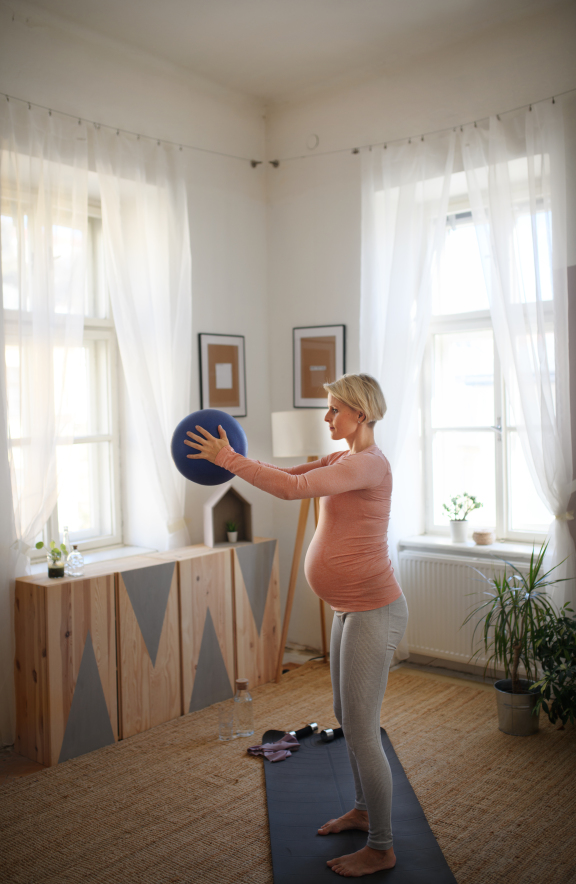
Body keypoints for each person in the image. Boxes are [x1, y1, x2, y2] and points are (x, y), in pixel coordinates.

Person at [184, 373, 408, 878]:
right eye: (327, 409)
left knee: (363, 729)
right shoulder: (341, 460)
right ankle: (364, 810)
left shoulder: (369, 466)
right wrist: (232, 458)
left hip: (375, 610)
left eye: (334, 410)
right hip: (347, 609)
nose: (326, 418)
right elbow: (283, 473)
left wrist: (227, 460)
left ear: (361, 414)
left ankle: (382, 845)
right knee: (345, 716)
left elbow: (291, 490)